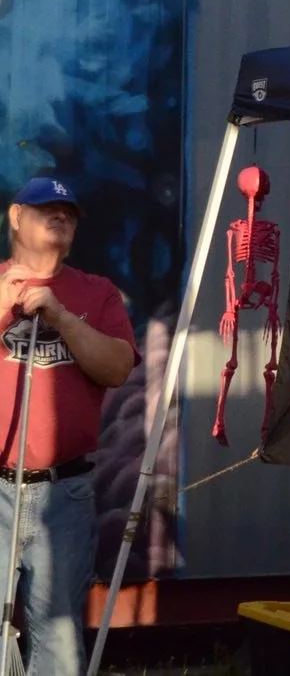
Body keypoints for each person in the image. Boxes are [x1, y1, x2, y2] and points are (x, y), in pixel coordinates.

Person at [0, 176, 139, 676]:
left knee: (57, 637)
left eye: (69, 212)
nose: (61, 216)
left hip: (66, 492)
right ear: (16, 216)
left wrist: (61, 316)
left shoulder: (96, 293)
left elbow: (118, 368)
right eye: (46, 208)